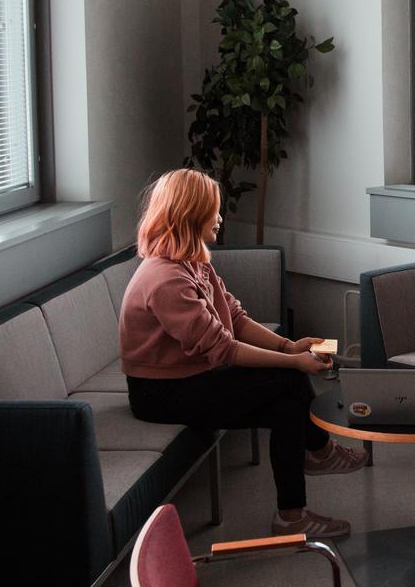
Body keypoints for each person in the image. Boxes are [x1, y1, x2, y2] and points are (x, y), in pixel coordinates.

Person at [119, 169, 366, 539]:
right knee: (289, 378)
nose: (220, 217)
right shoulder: (165, 279)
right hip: (160, 393)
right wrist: (293, 362)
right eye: (212, 211)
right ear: (190, 215)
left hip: (188, 378)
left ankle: (291, 515)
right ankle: (319, 451)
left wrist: (288, 346)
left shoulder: (193, 262)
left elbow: (233, 317)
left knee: (287, 407)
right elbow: (223, 349)